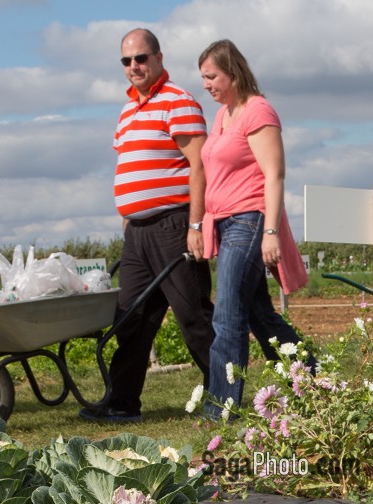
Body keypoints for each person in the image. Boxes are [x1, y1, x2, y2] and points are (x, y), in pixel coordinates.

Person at [82, 27, 215, 423]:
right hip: (136, 234)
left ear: (158, 57)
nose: (134, 66)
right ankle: (123, 402)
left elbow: (200, 167)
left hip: (174, 226)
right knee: (131, 319)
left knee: (193, 316)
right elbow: (128, 169)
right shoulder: (126, 112)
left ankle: (224, 396)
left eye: (141, 58)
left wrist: (195, 224)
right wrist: (127, 221)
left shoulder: (179, 102)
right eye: (126, 60)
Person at [196, 39, 308, 418]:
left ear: (232, 72)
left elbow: (274, 174)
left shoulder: (257, 111)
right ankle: (311, 377)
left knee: (226, 315)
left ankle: (220, 409)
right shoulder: (223, 115)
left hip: (249, 219)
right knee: (260, 315)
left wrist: (271, 232)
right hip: (226, 223)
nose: (207, 84)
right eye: (204, 78)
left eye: (212, 76)